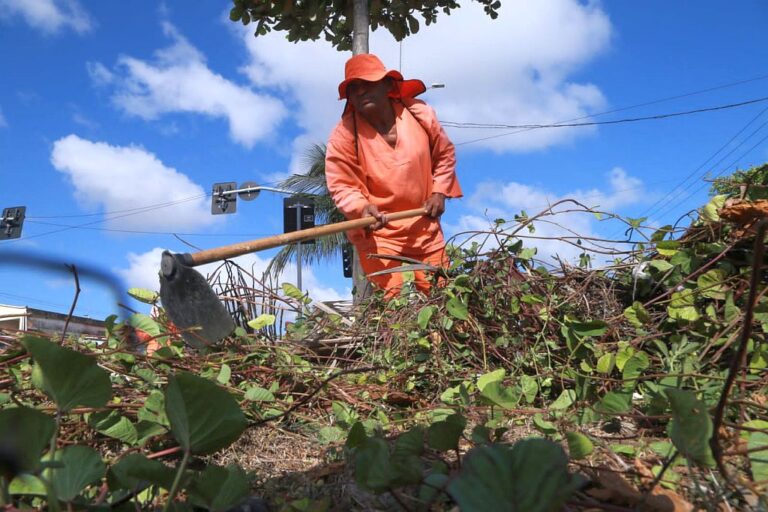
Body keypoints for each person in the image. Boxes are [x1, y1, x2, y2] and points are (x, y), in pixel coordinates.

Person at [325, 53, 462, 297]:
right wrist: (361, 208)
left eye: (368, 83)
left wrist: (439, 191)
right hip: (379, 235)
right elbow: (341, 184)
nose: (361, 92)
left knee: (442, 300)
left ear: (387, 85)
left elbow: (444, 154)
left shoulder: (420, 114)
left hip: (424, 228)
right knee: (394, 305)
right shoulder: (344, 134)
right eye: (353, 88)